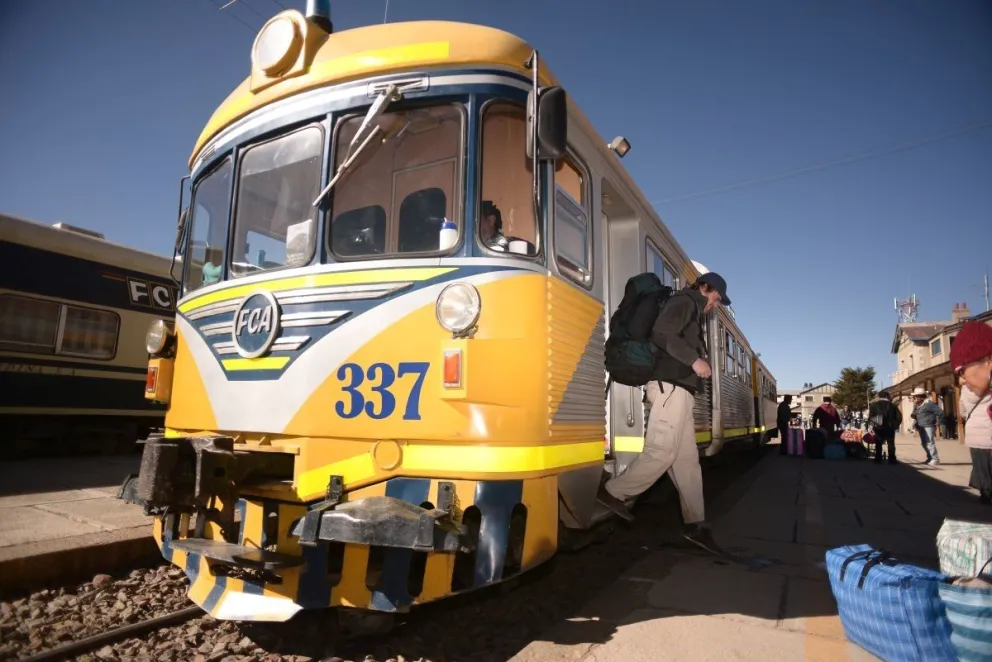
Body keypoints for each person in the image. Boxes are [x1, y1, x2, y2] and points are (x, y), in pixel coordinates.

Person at [597, 272, 731, 555]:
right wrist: (695, 360)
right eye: (716, 298)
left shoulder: (692, 306)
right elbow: (662, 332)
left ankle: (696, 525)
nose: (715, 304)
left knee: (686, 463)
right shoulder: (686, 300)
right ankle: (612, 493)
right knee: (662, 451)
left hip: (680, 390)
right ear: (704, 288)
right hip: (671, 386)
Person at [949, 321, 992, 504]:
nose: (962, 379)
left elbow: (963, 411)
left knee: (982, 467)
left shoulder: (968, 392)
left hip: (978, 436)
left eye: (963, 371)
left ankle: (986, 493)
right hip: (982, 434)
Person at [910, 386, 943, 465]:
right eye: (915, 396)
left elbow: (940, 412)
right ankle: (930, 457)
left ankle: (935, 458)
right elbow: (914, 415)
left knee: (929, 442)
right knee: (924, 443)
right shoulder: (918, 405)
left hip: (928, 425)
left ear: (921, 396)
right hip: (921, 425)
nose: (915, 398)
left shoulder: (929, 404)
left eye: (917, 396)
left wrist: (936, 421)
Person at [868, 390, 902, 463]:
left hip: (878, 427)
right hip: (890, 427)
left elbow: (871, 417)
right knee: (891, 443)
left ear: (879, 397)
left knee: (878, 443)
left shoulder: (873, 405)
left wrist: (871, 426)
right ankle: (892, 459)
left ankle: (878, 459)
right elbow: (899, 417)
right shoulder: (893, 405)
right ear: (887, 396)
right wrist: (895, 425)